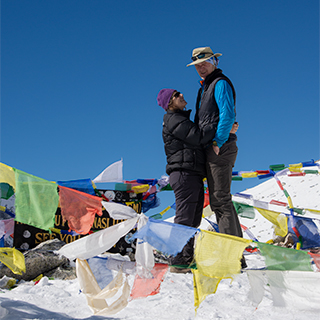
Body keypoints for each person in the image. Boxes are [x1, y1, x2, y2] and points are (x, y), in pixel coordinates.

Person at [187, 46, 246, 268]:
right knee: (220, 201)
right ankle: (236, 257)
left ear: (215, 61)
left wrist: (218, 142)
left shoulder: (219, 84)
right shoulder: (205, 87)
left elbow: (227, 114)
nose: (201, 68)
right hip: (211, 147)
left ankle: (232, 258)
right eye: (197, 65)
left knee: (220, 200)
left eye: (204, 62)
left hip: (219, 147)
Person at [157, 88, 206, 273]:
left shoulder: (179, 119)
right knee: (185, 218)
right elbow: (197, 136)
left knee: (192, 219)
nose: (182, 95)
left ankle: (185, 258)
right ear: (170, 102)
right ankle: (178, 259)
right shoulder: (174, 119)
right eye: (177, 95)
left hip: (191, 173)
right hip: (184, 173)